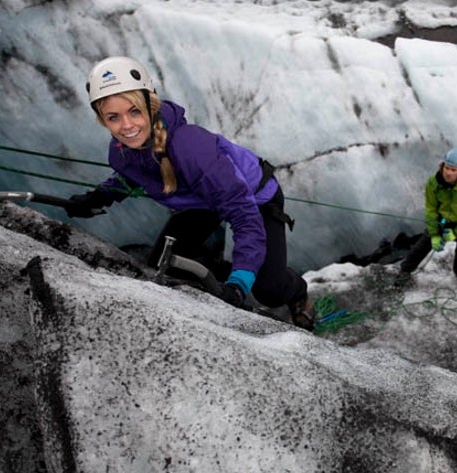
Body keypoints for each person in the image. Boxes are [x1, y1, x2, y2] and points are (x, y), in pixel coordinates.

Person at [64, 56, 314, 329]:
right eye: (113, 117)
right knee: (166, 265)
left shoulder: (190, 148)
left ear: (151, 103)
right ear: (102, 120)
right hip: (202, 202)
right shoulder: (122, 152)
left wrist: (239, 284)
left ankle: (298, 291)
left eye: (134, 111)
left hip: (255, 197)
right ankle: (217, 271)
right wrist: (100, 196)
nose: (126, 125)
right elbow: (134, 175)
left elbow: (244, 216)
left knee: (270, 290)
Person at [397, 148, 457, 288]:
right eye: (446, 168)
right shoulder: (434, 183)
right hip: (444, 220)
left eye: (453, 169)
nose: (448, 172)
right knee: (422, 245)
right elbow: (431, 209)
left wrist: (456, 233)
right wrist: (434, 234)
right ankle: (405, 270)